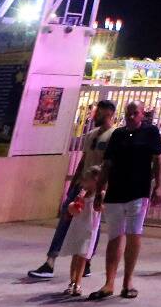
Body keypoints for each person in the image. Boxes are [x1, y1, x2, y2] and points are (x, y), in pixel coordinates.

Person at [30, 98, 115, 280]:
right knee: (67, 219)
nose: (94, 115)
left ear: (108, 113)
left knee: (92, 226)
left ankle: (86, 262)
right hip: (82, 186)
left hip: (97, 187)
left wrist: (103, 188)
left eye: (98, 112)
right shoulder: (91, 135)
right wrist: (74, 184)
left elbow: (111, 165)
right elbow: (84, 160)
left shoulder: (114, 136)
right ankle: (51, 260)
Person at [89, 99, 161, 301]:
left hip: (138, 190)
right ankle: (109, 282)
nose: (131, 117)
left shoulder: (150, 133)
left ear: (142, 114)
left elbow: (158, 159)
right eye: (128, 113)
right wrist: (99, 190)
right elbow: (107, 163)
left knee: (134, 234)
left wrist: (159, 186)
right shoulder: (118, 135)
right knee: (114, 236)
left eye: (135, 113)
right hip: (116, 191)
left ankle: (127, 281)